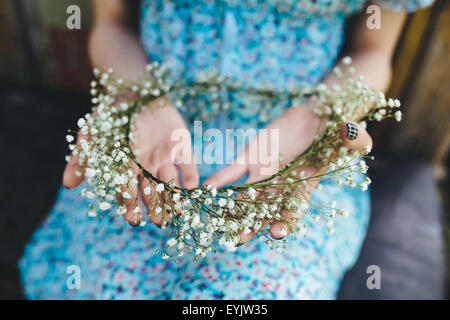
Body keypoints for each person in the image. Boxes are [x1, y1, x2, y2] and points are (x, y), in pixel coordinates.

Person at [19, 0, 433, 299]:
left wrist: (322, 116)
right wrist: (136, 100)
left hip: (289, 157)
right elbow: (113, 24)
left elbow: (372, 50)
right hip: (148, 138)